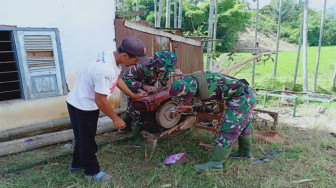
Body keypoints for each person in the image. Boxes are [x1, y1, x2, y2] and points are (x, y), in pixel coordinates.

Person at [66, 37, 149, 181]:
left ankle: (76, 164)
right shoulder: (105, 70)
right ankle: (92, 171)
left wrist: (133, 95)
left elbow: (118, 79)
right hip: (83, 105)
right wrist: (115, 118)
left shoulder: (111, 58)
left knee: (83, 136)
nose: (137, 63)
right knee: (87, 139)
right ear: (125, 55)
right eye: (136, 59)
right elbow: (101, 100)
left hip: (81, 101)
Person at [169, 71, 257, 171]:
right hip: (246, 91)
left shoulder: (206, 92)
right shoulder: (190, 79)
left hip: (243, 97)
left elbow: (211, 110)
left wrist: (190, 109)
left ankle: (216, 164)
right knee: (244, 125)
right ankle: (244, 152)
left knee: (229, 128)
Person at [121, 50, 177, 146]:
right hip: (134, 89)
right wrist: (143, 86)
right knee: (137, 112)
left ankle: (124, 128)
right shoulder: (142, 65)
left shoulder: (165, 69)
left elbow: (164, 80)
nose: (164, 70)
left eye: (166, 69)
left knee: (132, 109)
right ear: (157, 62)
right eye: (163, 68)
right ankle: (137, 140)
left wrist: (162, 88)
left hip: (148, 90)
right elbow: (124, 79)